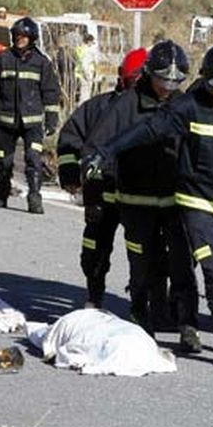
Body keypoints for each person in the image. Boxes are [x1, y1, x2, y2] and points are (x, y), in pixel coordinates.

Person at [86, 44, 213, 369]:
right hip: (183, 202)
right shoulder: (186, 106)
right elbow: (145, 130)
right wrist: (105, 153)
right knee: (210, 274)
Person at [83, 41, 200, 352]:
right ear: (149, 74)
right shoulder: (127, 104)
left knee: (182, 265)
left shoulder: (185, 103)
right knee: (141, 264)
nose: (167, 88)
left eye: (175, 82)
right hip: (136, 201)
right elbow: (98, 147)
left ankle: (188, 325)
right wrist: (98, 193)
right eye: (163, 80)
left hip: (177, 201)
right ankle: (140, 315)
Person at [58, 48, 147, 308]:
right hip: (101, 192)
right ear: (122, 77)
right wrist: (70, 173)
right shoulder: (98, 107)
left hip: (138, 196)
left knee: (142, 253)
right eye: (134, 80)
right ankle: (94, 297)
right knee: (94, 249)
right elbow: (70, 138)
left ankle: (141, 304)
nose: (137, 87)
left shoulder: (157, 110)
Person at [0, 17, 60, 214]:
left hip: (32, 123)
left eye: (24, 36)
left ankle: (34, 197)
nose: (20, 39)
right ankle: (2, 193)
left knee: (33, 159)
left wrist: (52, 118)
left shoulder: (41, 63)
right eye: (17, 36)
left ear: (32, 38)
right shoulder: (2, 59)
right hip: (6, 121)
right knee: (4, 161)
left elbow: (51, 92)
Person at [74, 33, 98, 103]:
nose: (92, 44)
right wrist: (87, 76)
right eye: (92, 42)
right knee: (85, 95)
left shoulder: (79, 49)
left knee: (82, 93)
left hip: (79, 73)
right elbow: (85, 64)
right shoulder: (88, 51)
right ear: (89, 42)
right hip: (86, 74)